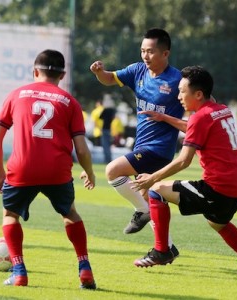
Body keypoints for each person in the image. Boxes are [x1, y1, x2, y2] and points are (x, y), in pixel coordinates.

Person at [131, 65, 237, 276]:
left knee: (157, 190)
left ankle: (161, 251)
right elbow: (197, 128)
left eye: (182, 91)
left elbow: (184, 161)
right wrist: (165, 118)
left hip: (217, 189)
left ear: (199, 94)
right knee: (218, 222)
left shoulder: (200, 118)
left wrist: (151, 178)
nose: (178, 97)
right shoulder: (222, 110)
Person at [0, 49, 97, 289]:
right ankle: (85, 268)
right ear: (63, 75)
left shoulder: (16, 95)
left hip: (22, 168)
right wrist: (89, 172)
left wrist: (0, 173)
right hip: (57, 170)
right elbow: (81, 149)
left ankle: (19, 272)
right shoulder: (70, 102)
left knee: (9, 215)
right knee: (70, 214)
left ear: (35, 71)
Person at [90, 28, 185, 257]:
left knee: (113, 171)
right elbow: (109, 79)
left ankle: (141, 212)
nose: (145, 56)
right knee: (151, 198)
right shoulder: (137, 71)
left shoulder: (178, 80)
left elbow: (204, 100)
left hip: (160, 149)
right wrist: (99, 72)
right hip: (141, 146)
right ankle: (167, 247)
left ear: (165, 53)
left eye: (150, 52)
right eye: (142, 50)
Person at [100, 96, 116, 163]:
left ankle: (106, 160)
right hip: (109, 129)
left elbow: (100, 117)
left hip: (104, 128)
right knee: (108, 145)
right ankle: (109, 159)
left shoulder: (105, 110)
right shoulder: (113, 110)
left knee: (105, 145)